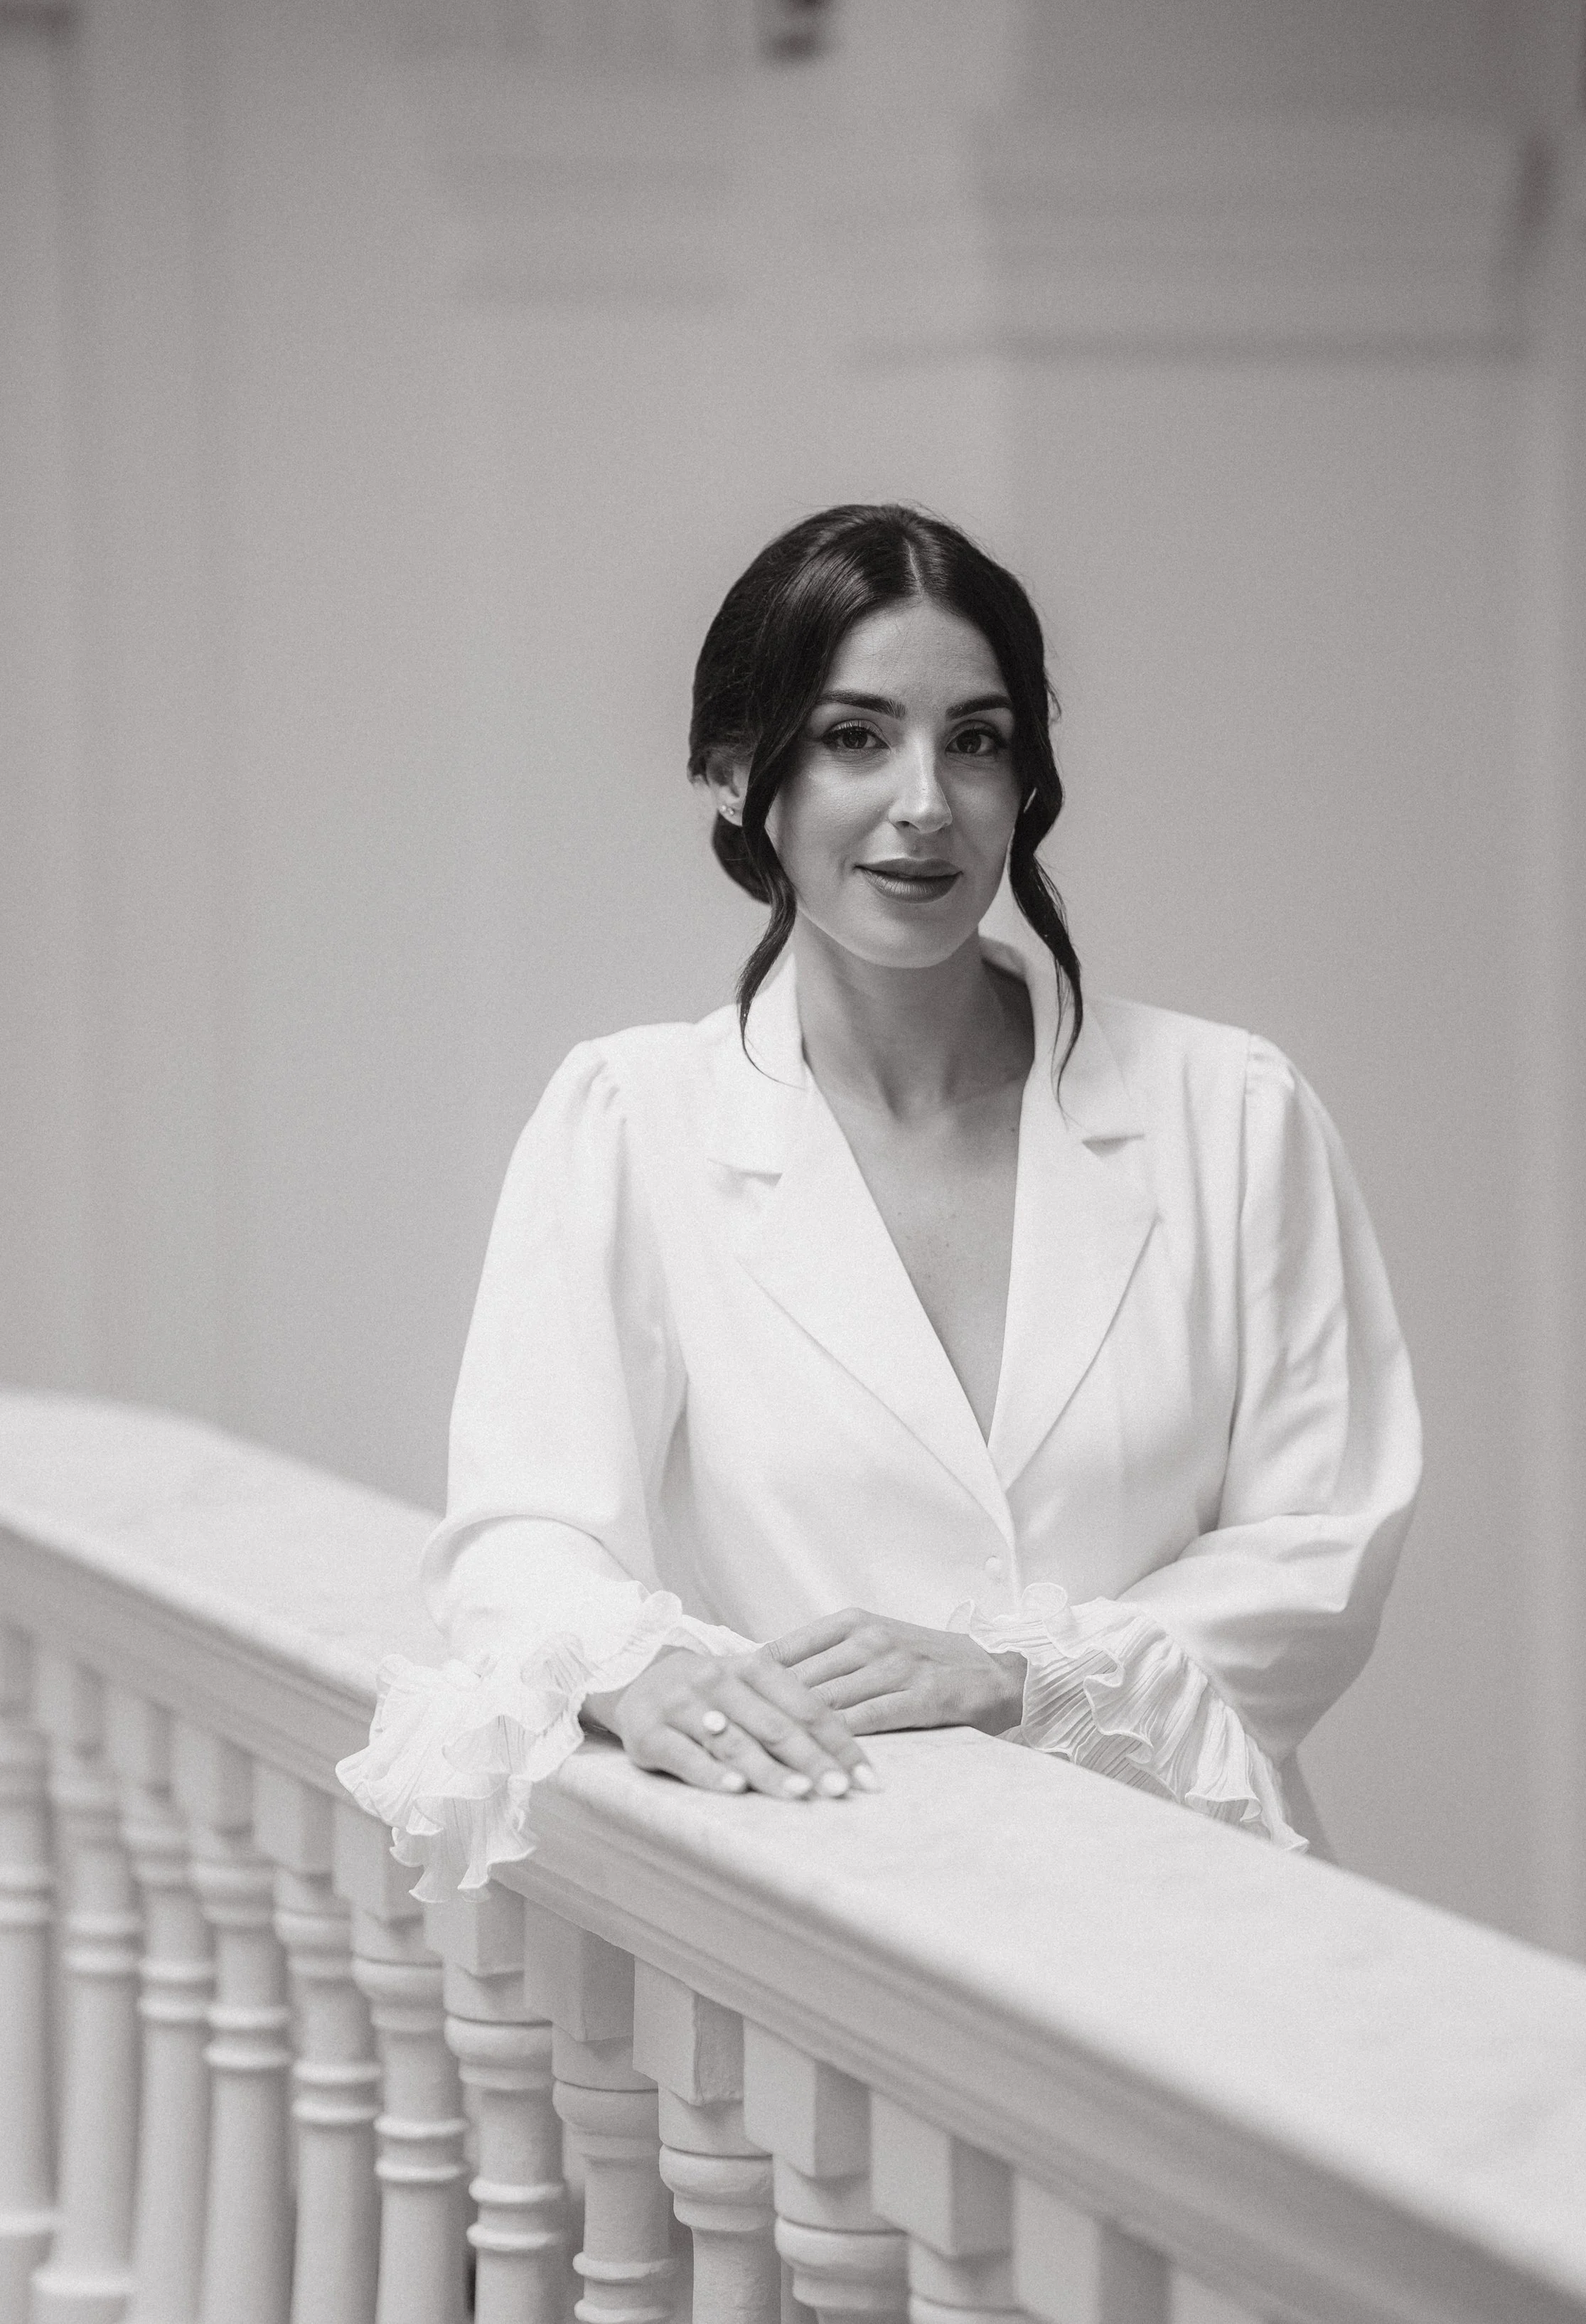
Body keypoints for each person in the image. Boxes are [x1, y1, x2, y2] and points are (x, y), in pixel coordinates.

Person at [339, 503, 1421, 1899]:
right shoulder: (631, 1120)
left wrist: (1017, 1673)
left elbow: (1319, 1540)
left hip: (1186, 1911)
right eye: (856, 736)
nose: (924, 802)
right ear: (738, 772)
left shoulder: (1230, 1110)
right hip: (825, 1918)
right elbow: (521, 1526)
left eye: (974, 740)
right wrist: (627, 1661)